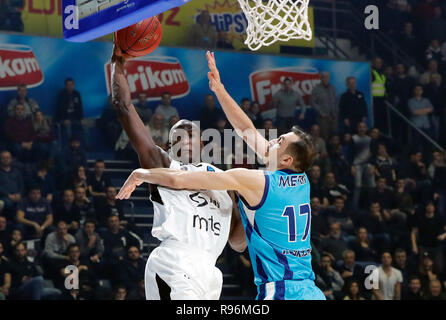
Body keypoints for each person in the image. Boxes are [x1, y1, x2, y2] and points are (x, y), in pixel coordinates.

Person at [116, 51, 325, 300]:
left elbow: (236, 239)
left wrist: (143, 173)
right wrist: (219, 88)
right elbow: (248, 131)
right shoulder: (301, 180)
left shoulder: (250, 181)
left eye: (279, 141)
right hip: (307, 289)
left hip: (272, 287)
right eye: (178, 136)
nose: (271, 140)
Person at [110, 44, 245, 300]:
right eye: (177, 136)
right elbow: (123, 107)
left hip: (210, 272)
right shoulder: (164, 166)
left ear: (202, 143)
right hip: (175, 261)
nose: (186, 137)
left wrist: (245, 208)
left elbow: (238, 244)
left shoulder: (224, 180)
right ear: (169, 148)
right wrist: (118, 62)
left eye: (191, 132)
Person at [54, 78, 85, 144]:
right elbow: (60, 109)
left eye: (71, 84)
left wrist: (81, 118)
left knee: (84, 126)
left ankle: (87, 147)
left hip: (74, 117)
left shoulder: (77, 94)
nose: (70, 86)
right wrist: (64, 119)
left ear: (74, 85)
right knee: (68, 126)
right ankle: (70, 145)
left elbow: (80, 107)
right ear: (65, 86)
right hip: (63, 117)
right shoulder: (62, 94)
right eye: (68, 85)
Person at [310, 71, 337, 141]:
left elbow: (336, 101)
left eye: (327, 77)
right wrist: (320, 112)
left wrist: (336, 112)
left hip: (333, 117)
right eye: (324, 77)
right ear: (321, 78)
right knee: (325, 137)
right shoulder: (316, 89)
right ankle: (325, 151)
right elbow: (312, 102)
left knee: (334, 137)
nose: (326, 79)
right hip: (323, 118)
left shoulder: (332, 88)